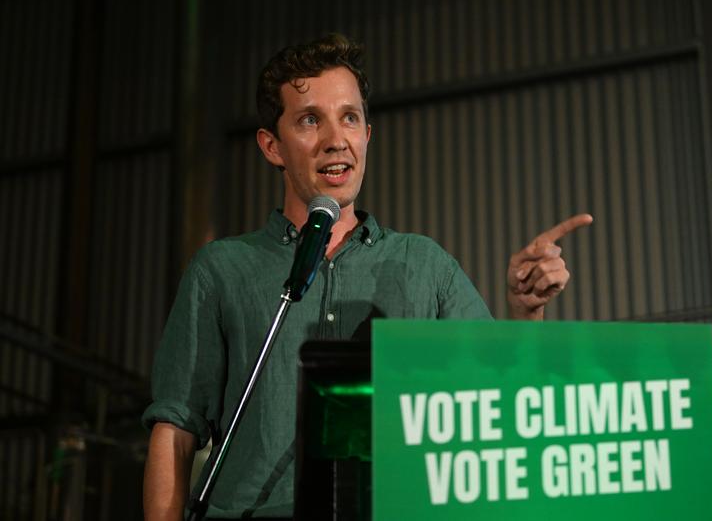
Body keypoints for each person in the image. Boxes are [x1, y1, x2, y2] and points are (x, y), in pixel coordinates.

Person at [142, 33, 591, 520]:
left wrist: (527, 313)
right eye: (310, 120)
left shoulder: (425, 265)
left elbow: (496, 405)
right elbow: (176, 428)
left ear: (367, 136)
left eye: (350, 117)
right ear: (272, 146)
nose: (336, 139)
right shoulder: (220, 269)